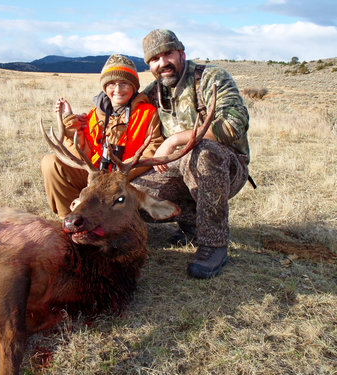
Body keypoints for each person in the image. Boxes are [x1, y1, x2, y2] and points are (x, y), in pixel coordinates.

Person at [130, 29, 251, 279]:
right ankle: (193, 224)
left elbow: (234, 123)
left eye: (168, 54)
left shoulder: (210, 78)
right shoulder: (154, 91)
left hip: (225, 165)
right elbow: (122, 107)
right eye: (154, 59)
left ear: (181, 53)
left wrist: (175, 139)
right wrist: (84, 118)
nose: (162, 63)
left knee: (203, 154)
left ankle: (214, 244)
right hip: (178, 168)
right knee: (134, 199)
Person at [41, 54, 164, 218]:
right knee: (51, 163)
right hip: (94, 175)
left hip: (126, 177)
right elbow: (80, 153)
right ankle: (69, 220)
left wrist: (120, 173)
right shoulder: (93, 115)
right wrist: (70, 121)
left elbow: (153, 147)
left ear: (134, 86)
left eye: (124, 83)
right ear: (105, 87)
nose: (118, 90)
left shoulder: (148, 113)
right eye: (112, 84)